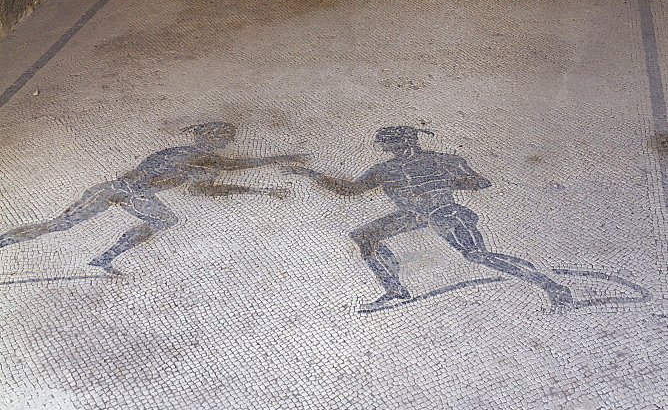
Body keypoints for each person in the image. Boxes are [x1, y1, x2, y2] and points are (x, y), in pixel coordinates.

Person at [291, 125, 573, 312]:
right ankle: (395, 290)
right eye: (391, 148)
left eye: (393, 145)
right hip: (413, 214)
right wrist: (313, 175)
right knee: (364, 235)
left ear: (404, 143)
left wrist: (444, 184)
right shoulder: (389, 168)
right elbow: (350, 189)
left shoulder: (442, 161)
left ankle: (552, 286)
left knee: (477, 255)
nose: (395, 151)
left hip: (444, 212)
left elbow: (479, 182)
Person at [0, 123, 302, 274]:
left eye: (226, 138)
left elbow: (207, 183)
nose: (224, 142)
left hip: (117, 187)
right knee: (63, 224)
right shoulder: (196, 158)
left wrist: (261, 183)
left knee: (63, 224)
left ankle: (103, 258)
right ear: (209, 139)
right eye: (221, 137)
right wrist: (272, 170)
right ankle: (103, 258)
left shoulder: (180, 153)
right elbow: (230, 171)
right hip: (129, 191)